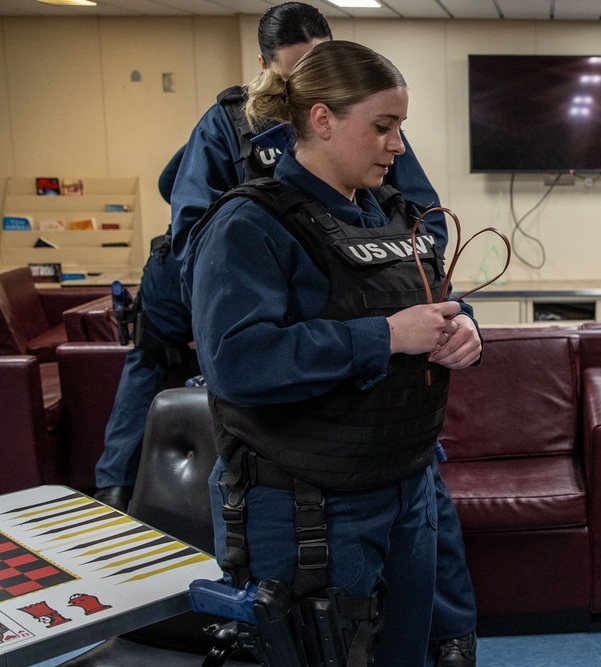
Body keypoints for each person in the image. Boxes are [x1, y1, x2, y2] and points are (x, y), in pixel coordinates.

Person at [94, 5, 479, 662]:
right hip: (311, 512)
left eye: (401, 129)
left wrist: (460, 329)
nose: (398, 146)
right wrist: (385, 336)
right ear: (323, 120)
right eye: (383, 128)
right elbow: (238, 361)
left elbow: (429, 298)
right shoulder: (246, 226)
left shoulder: (389, 216)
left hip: (406, 490)